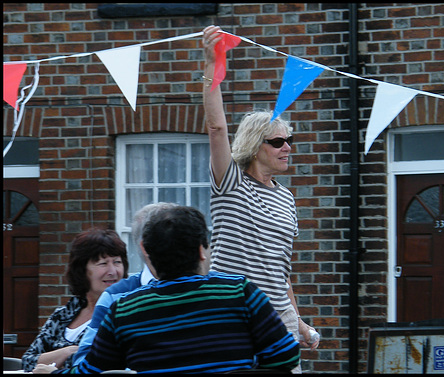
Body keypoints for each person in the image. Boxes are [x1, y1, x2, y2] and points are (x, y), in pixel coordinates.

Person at [41, 205, 300, 373]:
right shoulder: (240, 292)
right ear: (201, 250)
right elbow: (286, 357)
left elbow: (90, 372)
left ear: (148, 253)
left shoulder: (124, 310)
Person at [202, 25, 319, 369]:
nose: (288, 148)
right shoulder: (230, 184)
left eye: (289, 140)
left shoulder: (286, 198)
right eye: (278, 142)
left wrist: (298, 323)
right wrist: (211, 67)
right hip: (232, 314)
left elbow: (280, 271)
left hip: (278, 319)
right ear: (255, 147)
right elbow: (216, 128)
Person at [22, 228, 128, 372]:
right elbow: (27, 362)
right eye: (103, 263)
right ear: (82, 270)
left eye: (117, 262)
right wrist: (66, 352)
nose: (113, 271)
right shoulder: (62, 315)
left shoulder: (124, 313)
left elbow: (97, 364)